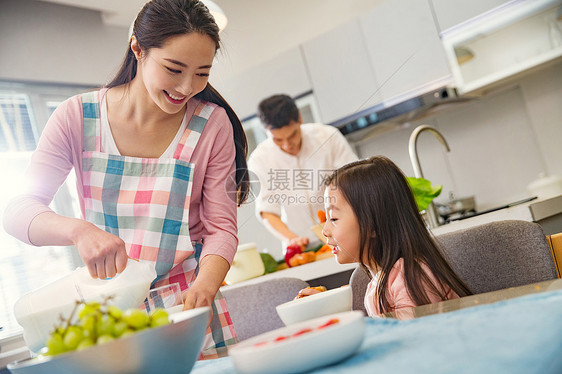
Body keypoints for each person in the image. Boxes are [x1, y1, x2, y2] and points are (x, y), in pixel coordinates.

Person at [3, 0, 249, 358]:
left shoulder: (211, 124)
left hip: (190, 306)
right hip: (112, 316)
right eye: (174, 68)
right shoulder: (78, 117)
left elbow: (221, 228)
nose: (186, 87)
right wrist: (80, 231)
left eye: (202, 73)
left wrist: (205, 286)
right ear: (138, 48)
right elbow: (18, 211)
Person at [298, 156, 472, 316]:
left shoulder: (408, 278)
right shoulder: (380, 281)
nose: (325, 230)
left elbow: (411, 341)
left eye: (334, 218)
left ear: (373, 224)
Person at [248, 94, 357, 252]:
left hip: (342, 237)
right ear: (266, 130)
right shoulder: (260, 159)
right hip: (299, 246)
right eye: (278, 140)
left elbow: (354, 183)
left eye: (292, 135)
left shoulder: (328, 136)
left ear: (299, 118)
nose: (287, 145)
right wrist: (292, 238)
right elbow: (267, 211)